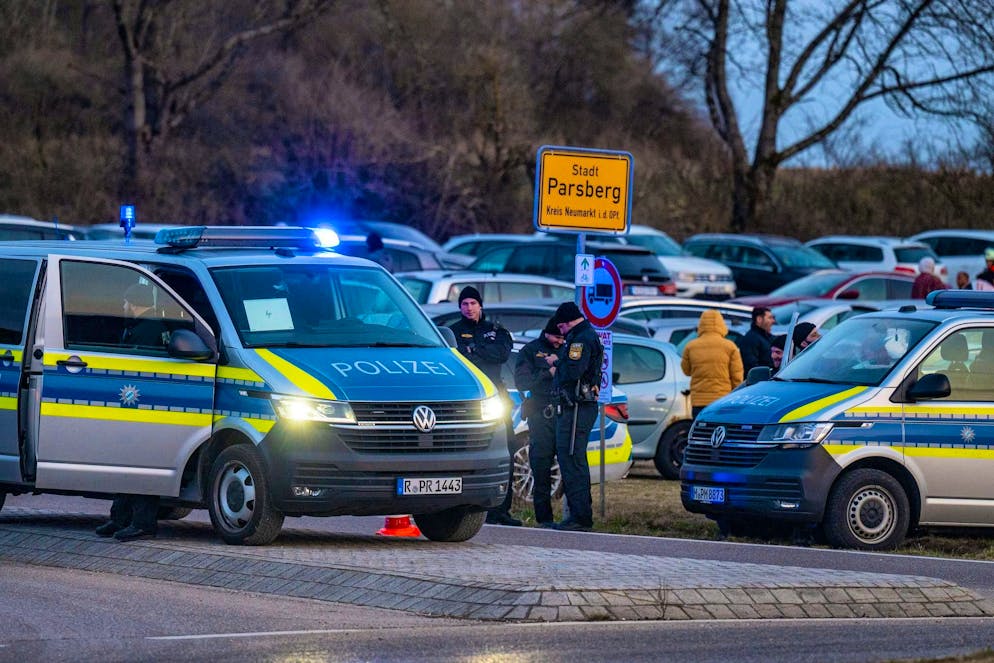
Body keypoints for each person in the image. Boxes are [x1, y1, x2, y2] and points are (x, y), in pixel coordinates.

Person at [95, 283, 164, 542]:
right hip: (135, 405)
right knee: (126, 461)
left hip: (141, 407)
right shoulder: (145, 326)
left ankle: (143, 523)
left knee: (140, 464)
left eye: (126, 302)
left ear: (133, 303)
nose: (123, 306)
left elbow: (137, 370)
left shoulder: (147, 330)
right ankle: (120, 517)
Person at [448, 286, 520, 526]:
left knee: (504, 450)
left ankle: (501, 510)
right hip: (464, 401)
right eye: (464, 304)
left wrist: (474, 349)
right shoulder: (452, 332)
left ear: (480, 305)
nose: (469, 308)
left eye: (473, 303)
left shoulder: (495, 330)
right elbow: (458, 358)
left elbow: (501, 354)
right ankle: (462, 508)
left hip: (495, 398)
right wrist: (479, 352)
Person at [543, 301, 604, 532]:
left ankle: (580, 517)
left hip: (576, 408)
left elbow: (573, 370)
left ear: (566, 322)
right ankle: (579, 515)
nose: (561, 332)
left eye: (561, 327)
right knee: (572, 458)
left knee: (572, 459)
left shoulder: (580, 339)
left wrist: (557, 362)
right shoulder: (585, 335)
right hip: (577, 406)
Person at [513, 318, 565, 527]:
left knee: (569, 465)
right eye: (557, 337)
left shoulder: (568, 348)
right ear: (547, 333)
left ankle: (573, 518)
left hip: (564, 413)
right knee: (541, 466)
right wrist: (547, 373)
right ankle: (544, 519)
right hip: (540, 414)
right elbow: (522, 382)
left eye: (563, 337)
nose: (560, 341)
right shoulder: (531, 351)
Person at [680, 310, 743, 418]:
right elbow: (737, 377)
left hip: (699, 400)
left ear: (701, 324)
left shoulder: (690, 346)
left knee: (700, 427)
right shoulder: (730, 346)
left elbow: (686, 371)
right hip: (722, 399)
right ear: (721, 325)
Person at [121, 282, 167, 349]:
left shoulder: (146, 331)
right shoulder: (160, 326)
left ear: (133, 305)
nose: (124, 307)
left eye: (125, 302)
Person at [737, 307, 775, 373]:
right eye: (770, 318)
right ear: (759, 319)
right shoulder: (750, 339)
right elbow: (752, 366)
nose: (773, 321)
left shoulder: (768, 337)